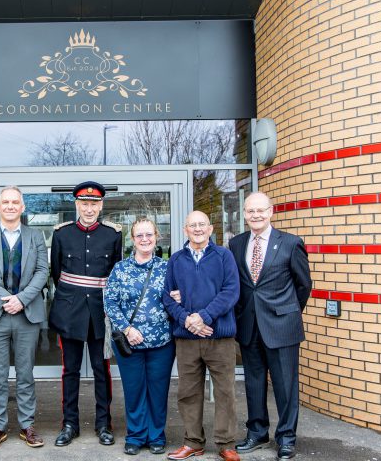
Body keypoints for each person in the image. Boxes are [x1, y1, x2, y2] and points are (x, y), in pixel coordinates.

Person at [229, 192, 311, 461]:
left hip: (282, 326)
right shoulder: (237, 243)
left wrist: (287, 312)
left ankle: (286, 438)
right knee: (253, 383)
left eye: (260, 211)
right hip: (249, 325)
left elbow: (303, 286)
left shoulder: (290, 243)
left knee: (285, 386)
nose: (256, 215)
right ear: (244, 214)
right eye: (250, 211)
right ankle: (257, 432)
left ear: (271, 212)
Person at [0, 186, 49, 450]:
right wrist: (6, 299)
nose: (10, 206)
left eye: (15, 202)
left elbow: (43, 271)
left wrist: (22, 299)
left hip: (27, 314)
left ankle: (27, 425)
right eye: (5, 202)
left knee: (26, 373)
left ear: (22, 207)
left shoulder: (35, 236)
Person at [49, 181, 122, 447]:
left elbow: (114, 276)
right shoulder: (61, 233)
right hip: (70, 311)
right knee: (70, 371)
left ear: (101, 205)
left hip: (100, 313)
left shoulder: (113, 234)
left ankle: (104, 423)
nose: (89, 208)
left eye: (94, 204)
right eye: (84, 203)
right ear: (76, 205)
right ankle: (70, 424)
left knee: (102, 370)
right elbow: (56, 273)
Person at [163, 211, 241, 461]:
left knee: (225, 392)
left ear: (210, 228)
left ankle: (226, 443)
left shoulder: (224, 256)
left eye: (202, 225)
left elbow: (231, 292)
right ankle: (192, 442)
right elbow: (167, 296)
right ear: (185, 230)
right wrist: (188, 320)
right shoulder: (175, 260)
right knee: (188, 392)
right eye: (192, 225)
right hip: (187, 339)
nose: (197, 229)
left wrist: (204, 317)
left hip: (220, 338)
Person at [103, 217, 175, 456]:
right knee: (133, 390)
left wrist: (181, 298)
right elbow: (110, 301)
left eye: (149, 235)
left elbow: (177, 296)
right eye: (139, 236)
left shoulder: (168, 267)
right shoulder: (120, 269)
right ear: (132, 240)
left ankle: (156, 435)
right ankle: (135, 435)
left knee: (158, 390)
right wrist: (127, 329)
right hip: (129, 341)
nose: (145, 239)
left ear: (157, 237)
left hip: (161, 342)